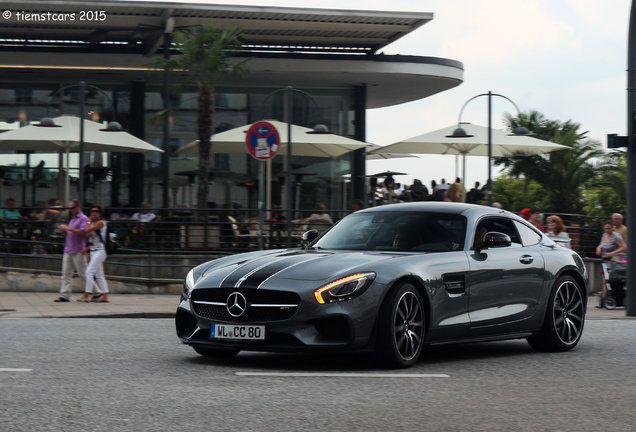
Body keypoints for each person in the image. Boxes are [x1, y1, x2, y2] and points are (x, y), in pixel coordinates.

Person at [54, 200, 94, 302]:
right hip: (69, 248)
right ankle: (64, 295)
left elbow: (83, 232)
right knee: (66, 274)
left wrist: (68, 228)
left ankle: (97, 291)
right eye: (70, 208)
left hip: (78, 249)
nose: (70, 210)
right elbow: (71, 234)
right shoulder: (73, 218)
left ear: (78, 207)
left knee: (83, 273)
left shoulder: (83, 218)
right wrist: (65, 231)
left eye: (72, 208)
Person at [77, 205, 110, 303]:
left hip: (101, 251)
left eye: (96, 211)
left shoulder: (100, 223)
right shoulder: (94, 223)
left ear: (100, 213)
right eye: (92, 211)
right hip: (95, 250)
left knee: (89, 272)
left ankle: (86, 295)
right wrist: (87, 248)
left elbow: (87, 230)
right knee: (99, 274)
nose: (93, 213)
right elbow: (92, 237)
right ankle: (105, 296)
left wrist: (89, 221)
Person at [595, 220, 627, 307]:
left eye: (609, 228)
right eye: (606, 229)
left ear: (612, 228)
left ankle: (608, 298)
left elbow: (624, 247)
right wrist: (599, 248)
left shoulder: (616, 236)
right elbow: (601, 244)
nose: (607, 230)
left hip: (614, 260)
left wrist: (612, 253)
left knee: (607, 280)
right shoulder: (604, 235)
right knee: (604, 281)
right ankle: (604, 299)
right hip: (605, 260)